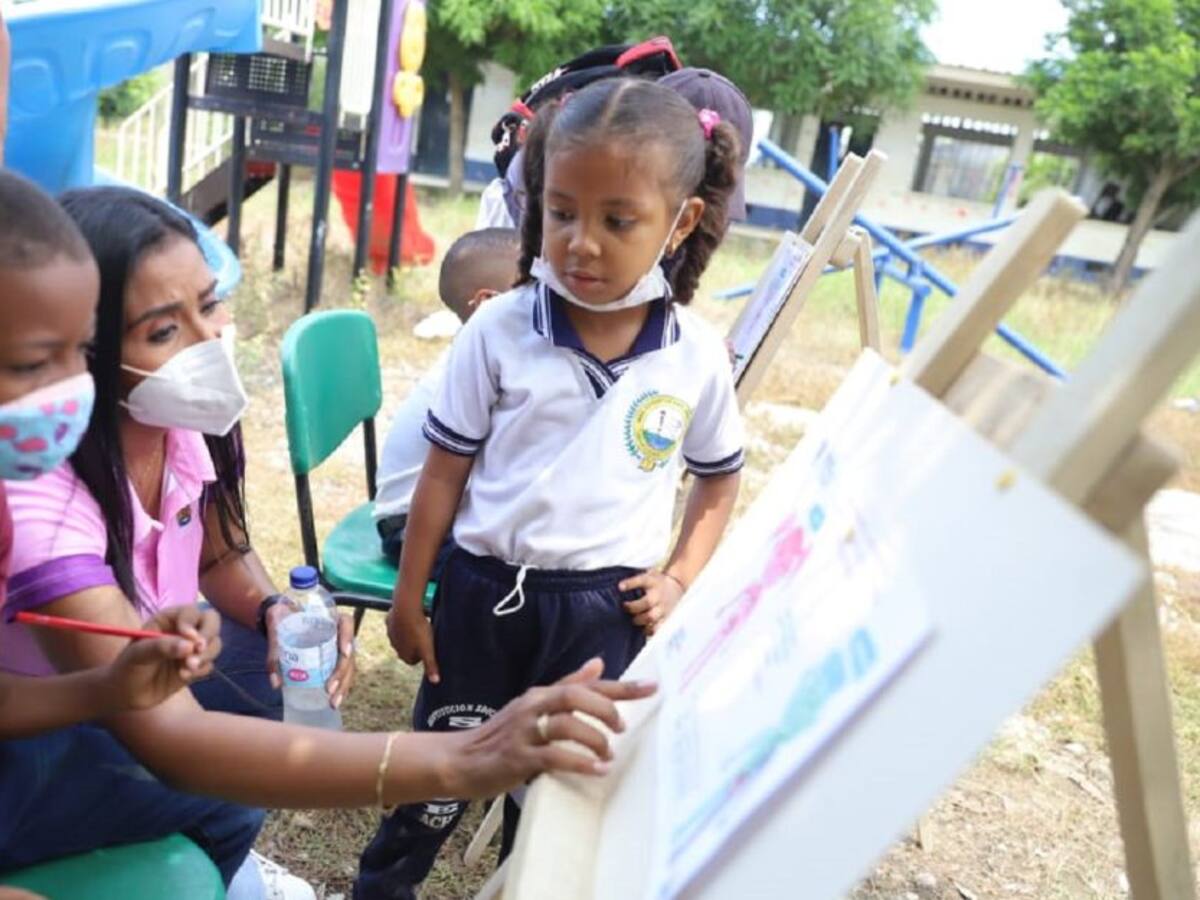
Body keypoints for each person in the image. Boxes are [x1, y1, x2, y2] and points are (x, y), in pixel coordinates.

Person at [0, 177, 655, 898]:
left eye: (209, 302)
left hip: (106, 689)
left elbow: (219, 553)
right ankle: (198, 864)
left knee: (276, 681)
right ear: (79, 347)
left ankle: (202, 850)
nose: (209, 339)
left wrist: (276, 612)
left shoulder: (177, 425)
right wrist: (463, 756)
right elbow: (175, 741)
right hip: (38, 737)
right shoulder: (44, 506)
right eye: (163, 330)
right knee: (223, 791)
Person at [362, 77, 744, 899]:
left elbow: (718, 481)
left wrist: (679, 578)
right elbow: (443, 475)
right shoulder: (499, 331)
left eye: (618, 220)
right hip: (481, 597)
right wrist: (407, 596)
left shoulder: (696, 356)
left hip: (602, 617)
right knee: (437, 779)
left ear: (680, 222)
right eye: (562, 211)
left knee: (561, 803)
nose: (581, 243)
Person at [374, 227, 521, 566]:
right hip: (415, 527)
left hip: (446, 512)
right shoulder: (470, 370)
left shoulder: (491, 354)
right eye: (533, 287)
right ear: (488, 303)